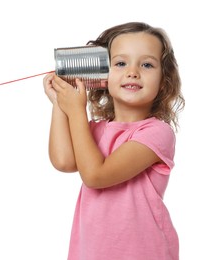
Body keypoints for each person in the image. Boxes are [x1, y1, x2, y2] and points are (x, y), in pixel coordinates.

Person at [43, 22, 185, 260]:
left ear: (163, 82)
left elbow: (96, 176)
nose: (133, 72)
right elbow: (64, 161)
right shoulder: (94, 130)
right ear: (103, 76)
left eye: (147, 64)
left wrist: (77, 112)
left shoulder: (157, 133)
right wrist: (60, 103)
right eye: (120, 63)